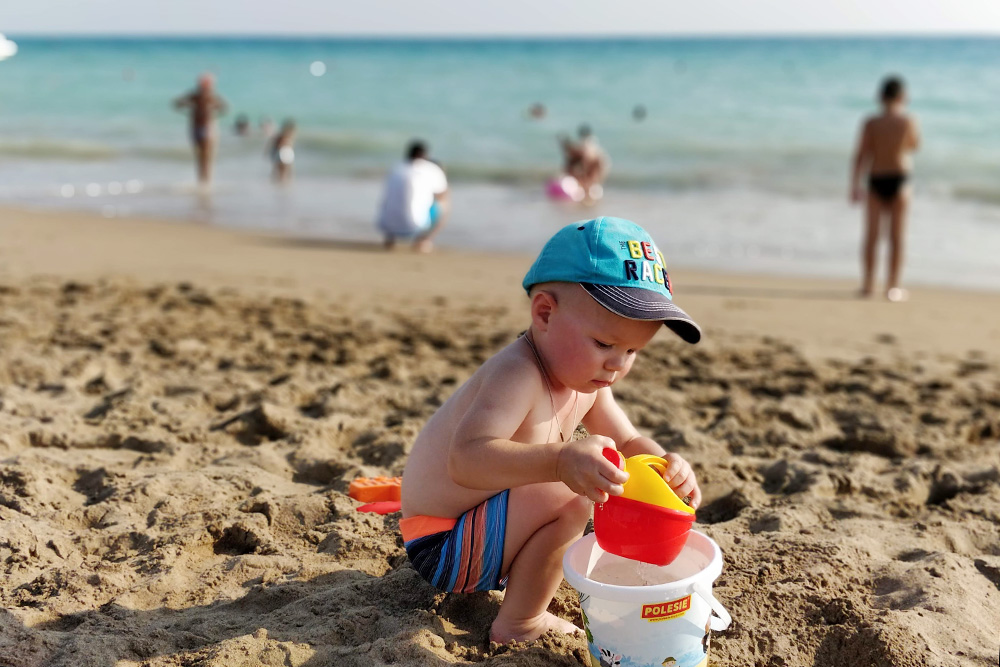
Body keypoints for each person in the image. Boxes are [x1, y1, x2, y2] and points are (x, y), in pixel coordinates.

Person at [400, 216, 703, 643]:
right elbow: (465, 460)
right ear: (544, 313)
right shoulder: (518, 373)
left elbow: (631, 442)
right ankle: (520, 623)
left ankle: (523, 591)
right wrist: (561, 462)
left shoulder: (588, 382)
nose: (618, 364)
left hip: (484, 528)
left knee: (598, 478)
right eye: (604, 344)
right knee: (577, 493)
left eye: (633, 350)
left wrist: (665, 466)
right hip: (442, 543)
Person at [850, 75, 920, 302]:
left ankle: (868, 285)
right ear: (903, 97)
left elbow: (861, 155)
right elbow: (914, 145)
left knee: (871, 235)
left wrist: (854, 185)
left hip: (876, 178)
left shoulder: (871, 122)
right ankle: (893, 287)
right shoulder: (907, 121)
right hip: (900, 179)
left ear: (880, 97)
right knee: (896, 237)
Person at [376, 140, 449, 253]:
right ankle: (424, 240)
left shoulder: (396, 167)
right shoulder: (431, 168)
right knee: (443, 203)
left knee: (395, 197)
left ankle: (390, 239)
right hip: (414, 226)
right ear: (425, 155)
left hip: (386, 225)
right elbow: (442, 195)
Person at [173, 73, 228, 185]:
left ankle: (206, 181)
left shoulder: (212, 97)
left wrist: (212, 113)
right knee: (199, 156)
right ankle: (202, 181)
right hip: (196, 127)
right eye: (203, 84)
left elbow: (224, 108)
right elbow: (176, 104)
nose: (205, 86)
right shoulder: (194, 96)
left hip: (208, 128)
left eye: (207, 84)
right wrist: (190, 109)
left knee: (207, 155)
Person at [559, 125, 609, 204]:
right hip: (600, 163)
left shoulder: (586, 147)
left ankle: (587, 191)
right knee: (590, 180)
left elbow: (587, 161)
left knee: (588, 180)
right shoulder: (590, 144)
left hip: (595, 163)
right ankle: (587, 193)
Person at [270, 119, 296, 183]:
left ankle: (281, 183)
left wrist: (272, 154)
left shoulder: (281, 135)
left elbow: (275, 146)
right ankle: (285, 183)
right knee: (286, 170)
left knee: (280, 170)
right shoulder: (289, 135)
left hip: (282, 152)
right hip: (286, 152)